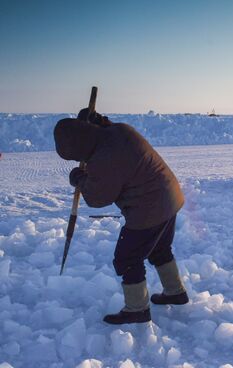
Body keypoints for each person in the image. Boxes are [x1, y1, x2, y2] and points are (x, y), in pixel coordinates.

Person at [53, 110, 189, 325]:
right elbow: (108, 128)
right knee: (159, 248)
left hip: (149, 208)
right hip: (169, 197)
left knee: (127, 259)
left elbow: (98, 198)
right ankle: (175, 292)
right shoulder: (119, 130)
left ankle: (137, 309)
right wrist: (99, 120)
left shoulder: (103, 160)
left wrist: (79, 178)